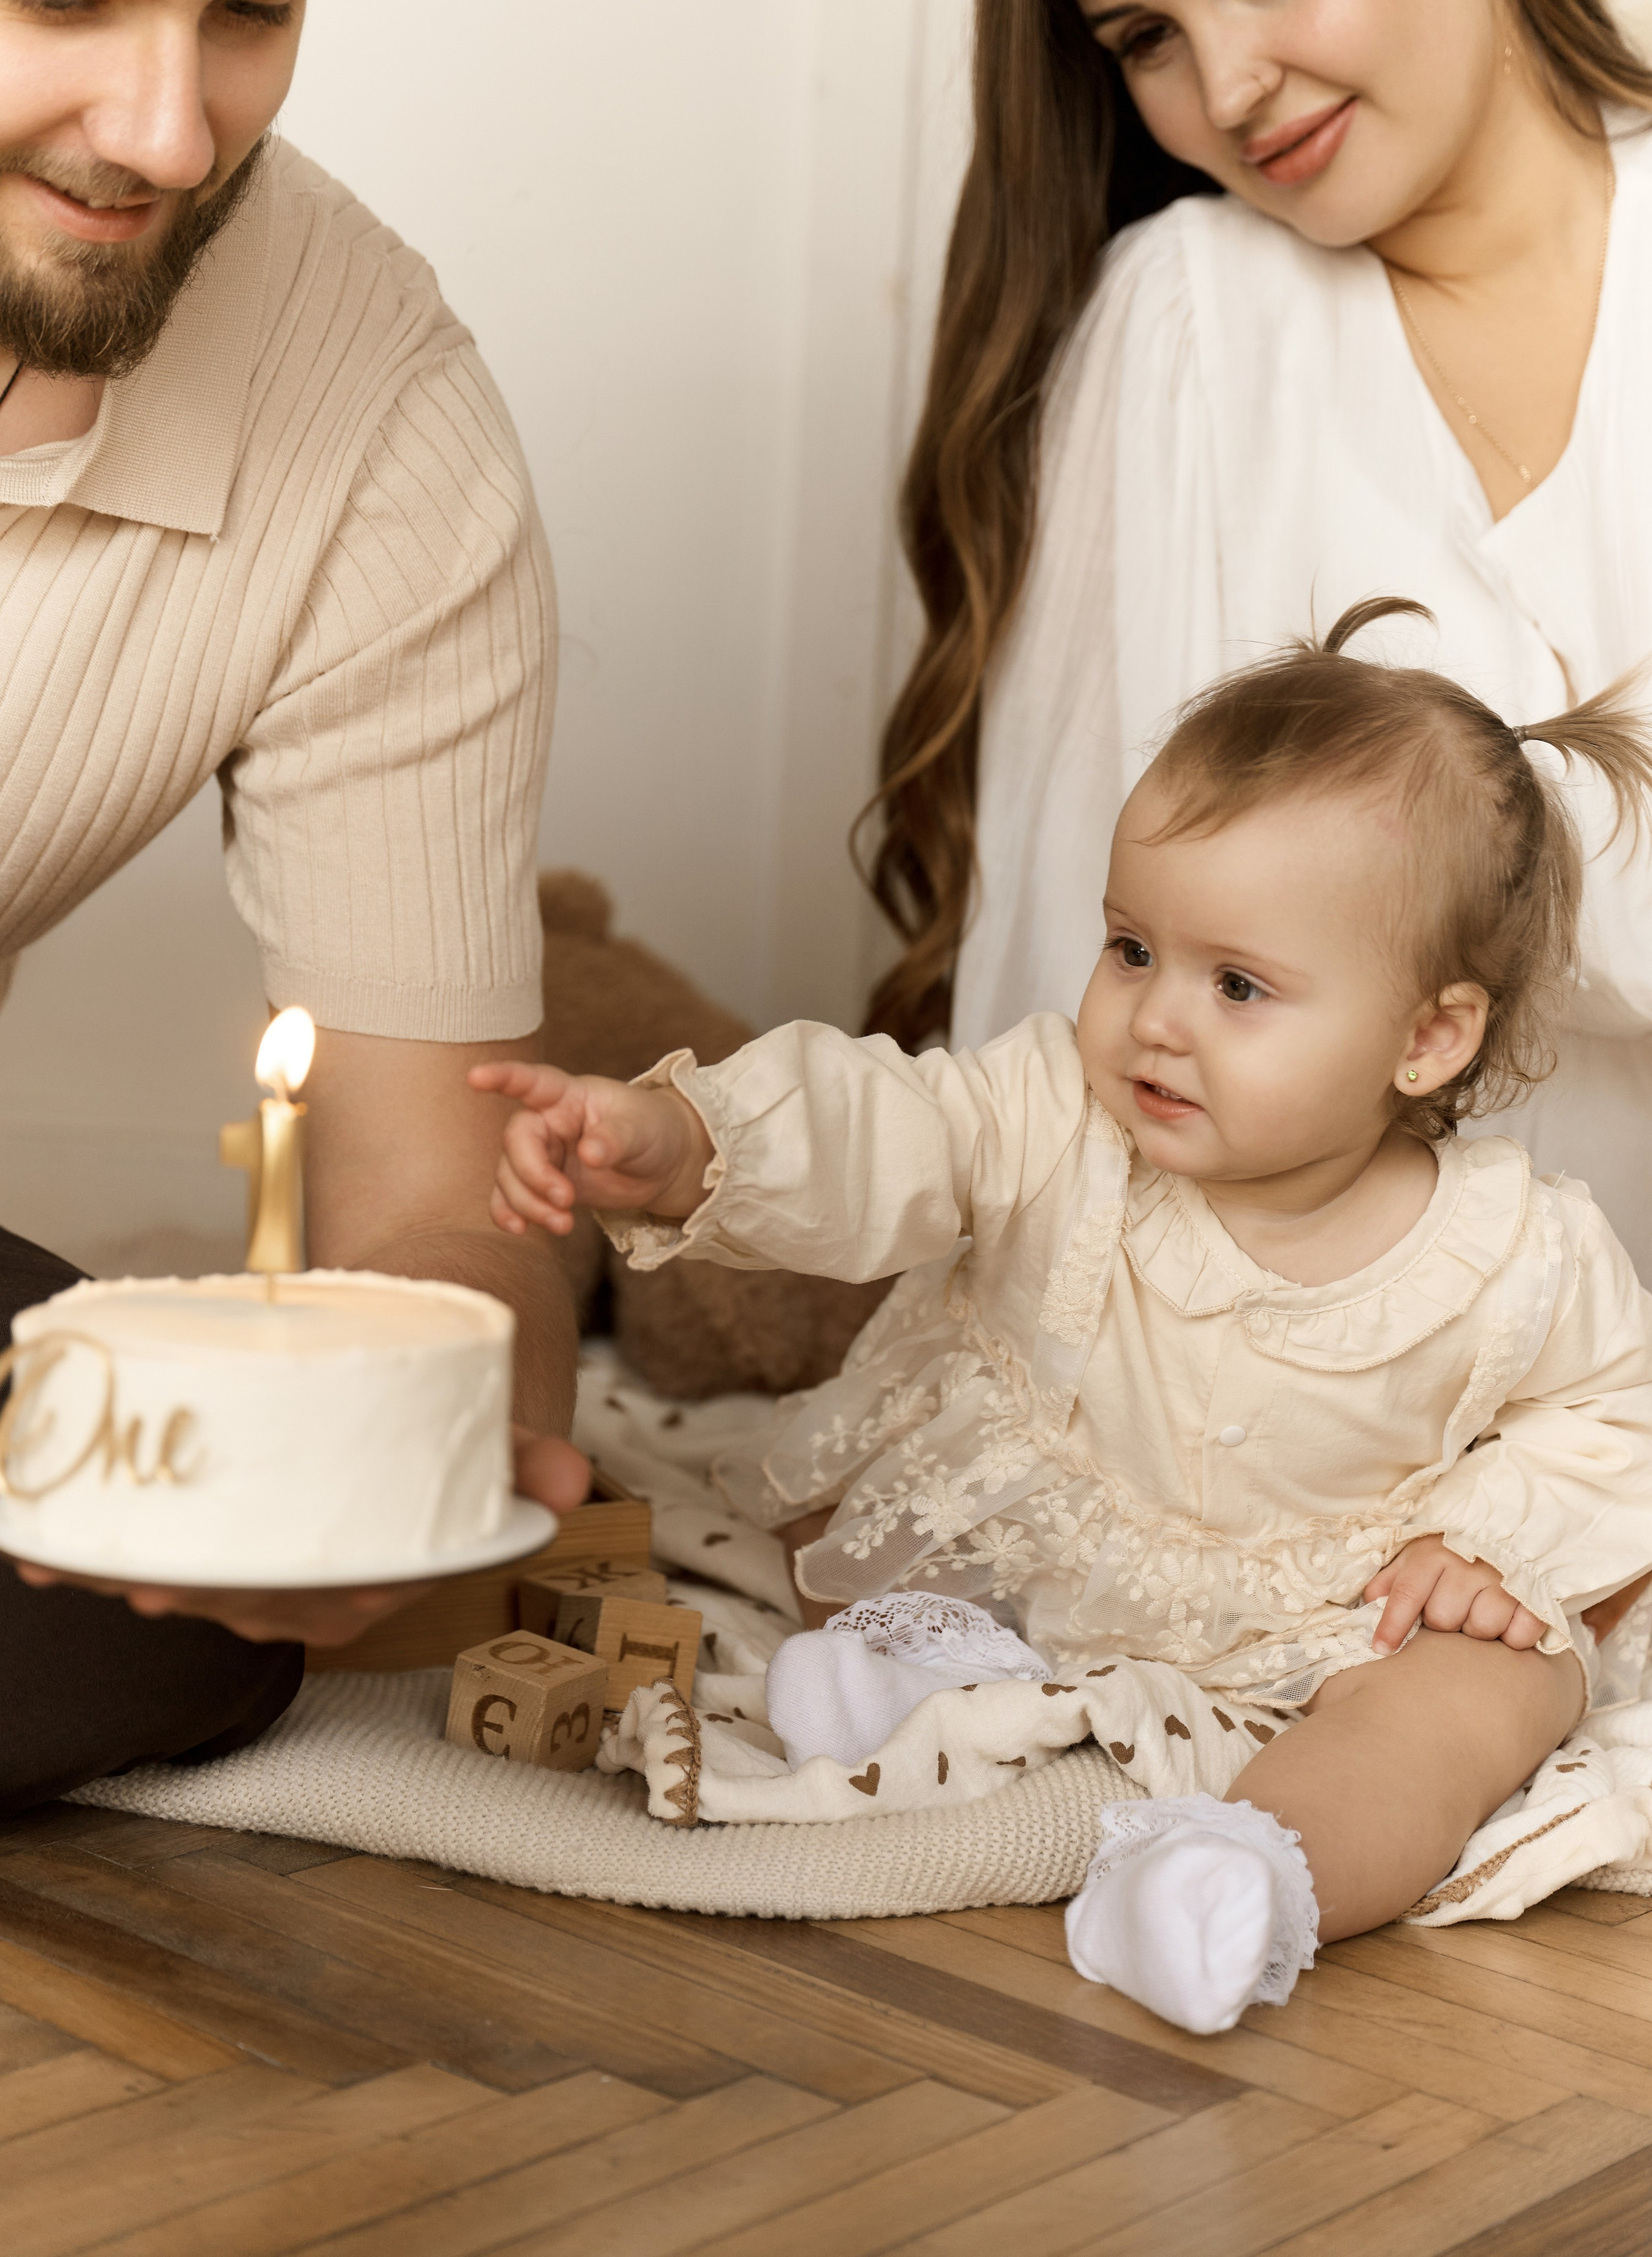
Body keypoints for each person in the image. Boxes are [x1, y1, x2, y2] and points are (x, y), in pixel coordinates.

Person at [476, 598, 1652, 2034]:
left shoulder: (1516, 1246)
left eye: (1235, 985)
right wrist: (689, 1137)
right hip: (1049, 1527)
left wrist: (1488, 1544)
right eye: (1128, 949)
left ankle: (1254, 1869)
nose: (1153, 1020)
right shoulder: (1053, 1112)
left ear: (1425, 1037)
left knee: (1491, 1689)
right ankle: (944, 1671)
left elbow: (1613, 1410)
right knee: (860, 1536)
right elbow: (888, 1125)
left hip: (1334, 1597)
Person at [0, 0, 584, 1815]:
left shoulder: (368, 401)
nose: (172, 133)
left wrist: (396, 1435)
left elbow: (445, 1192)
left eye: (245, 10)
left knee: (151, 1601)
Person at [859, 0, 1652, 1279]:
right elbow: (1080, 974)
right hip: (1295, 1382)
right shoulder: (1189, 328)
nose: (1225, 88)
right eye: (1144, 38)